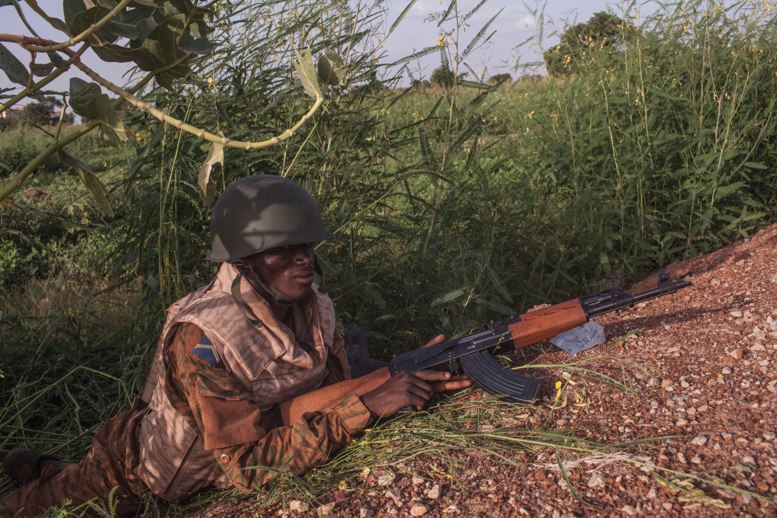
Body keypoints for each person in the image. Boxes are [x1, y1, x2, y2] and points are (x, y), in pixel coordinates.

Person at [0, 175, 470, 516]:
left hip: (217, 451)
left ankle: (33, 465)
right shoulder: (205, 338)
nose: (303, 260)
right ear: (243, 263)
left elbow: (328, 386)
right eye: (282, 250)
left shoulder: (313, 306)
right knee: (36, 506)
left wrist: (401, 372)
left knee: (56, 478)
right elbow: (248, 468)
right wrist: (366, 406)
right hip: (136, 472)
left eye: (307, 246)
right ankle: (35, 472)